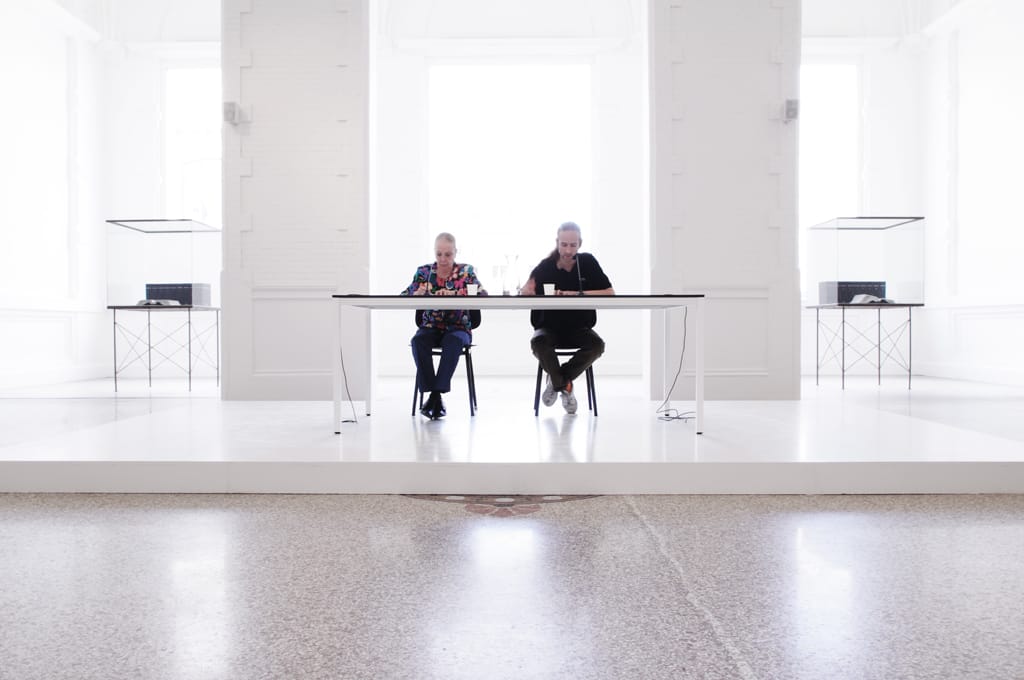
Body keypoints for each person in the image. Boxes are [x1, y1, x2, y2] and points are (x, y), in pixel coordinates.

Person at [519, 222, 614, 414]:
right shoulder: (545, 266)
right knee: (538, 342)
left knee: (597, 345)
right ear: (557, 242)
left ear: (580, 244)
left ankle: (556, 381)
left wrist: (576, 294)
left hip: (579, 327)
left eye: (573, 245)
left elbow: (609, 293)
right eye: (564, 244)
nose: (568, 250)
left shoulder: (587, 262)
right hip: (548, 327)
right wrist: (526, 291)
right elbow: (525, 291)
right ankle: (566, 386)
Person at [401, 232, 486, 419]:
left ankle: (435, 395)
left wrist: (456, 294)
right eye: (439, 254)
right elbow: (404, 295)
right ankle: (435, 396)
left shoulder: (466, 272)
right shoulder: (424, 272)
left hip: (458, 327)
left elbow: (482, 294)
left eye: (448, 254)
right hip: (430, 326)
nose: (443, 259)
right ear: (434, 252)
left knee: (453, 342)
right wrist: (416, 295)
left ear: (455, 252)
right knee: (418, 341)